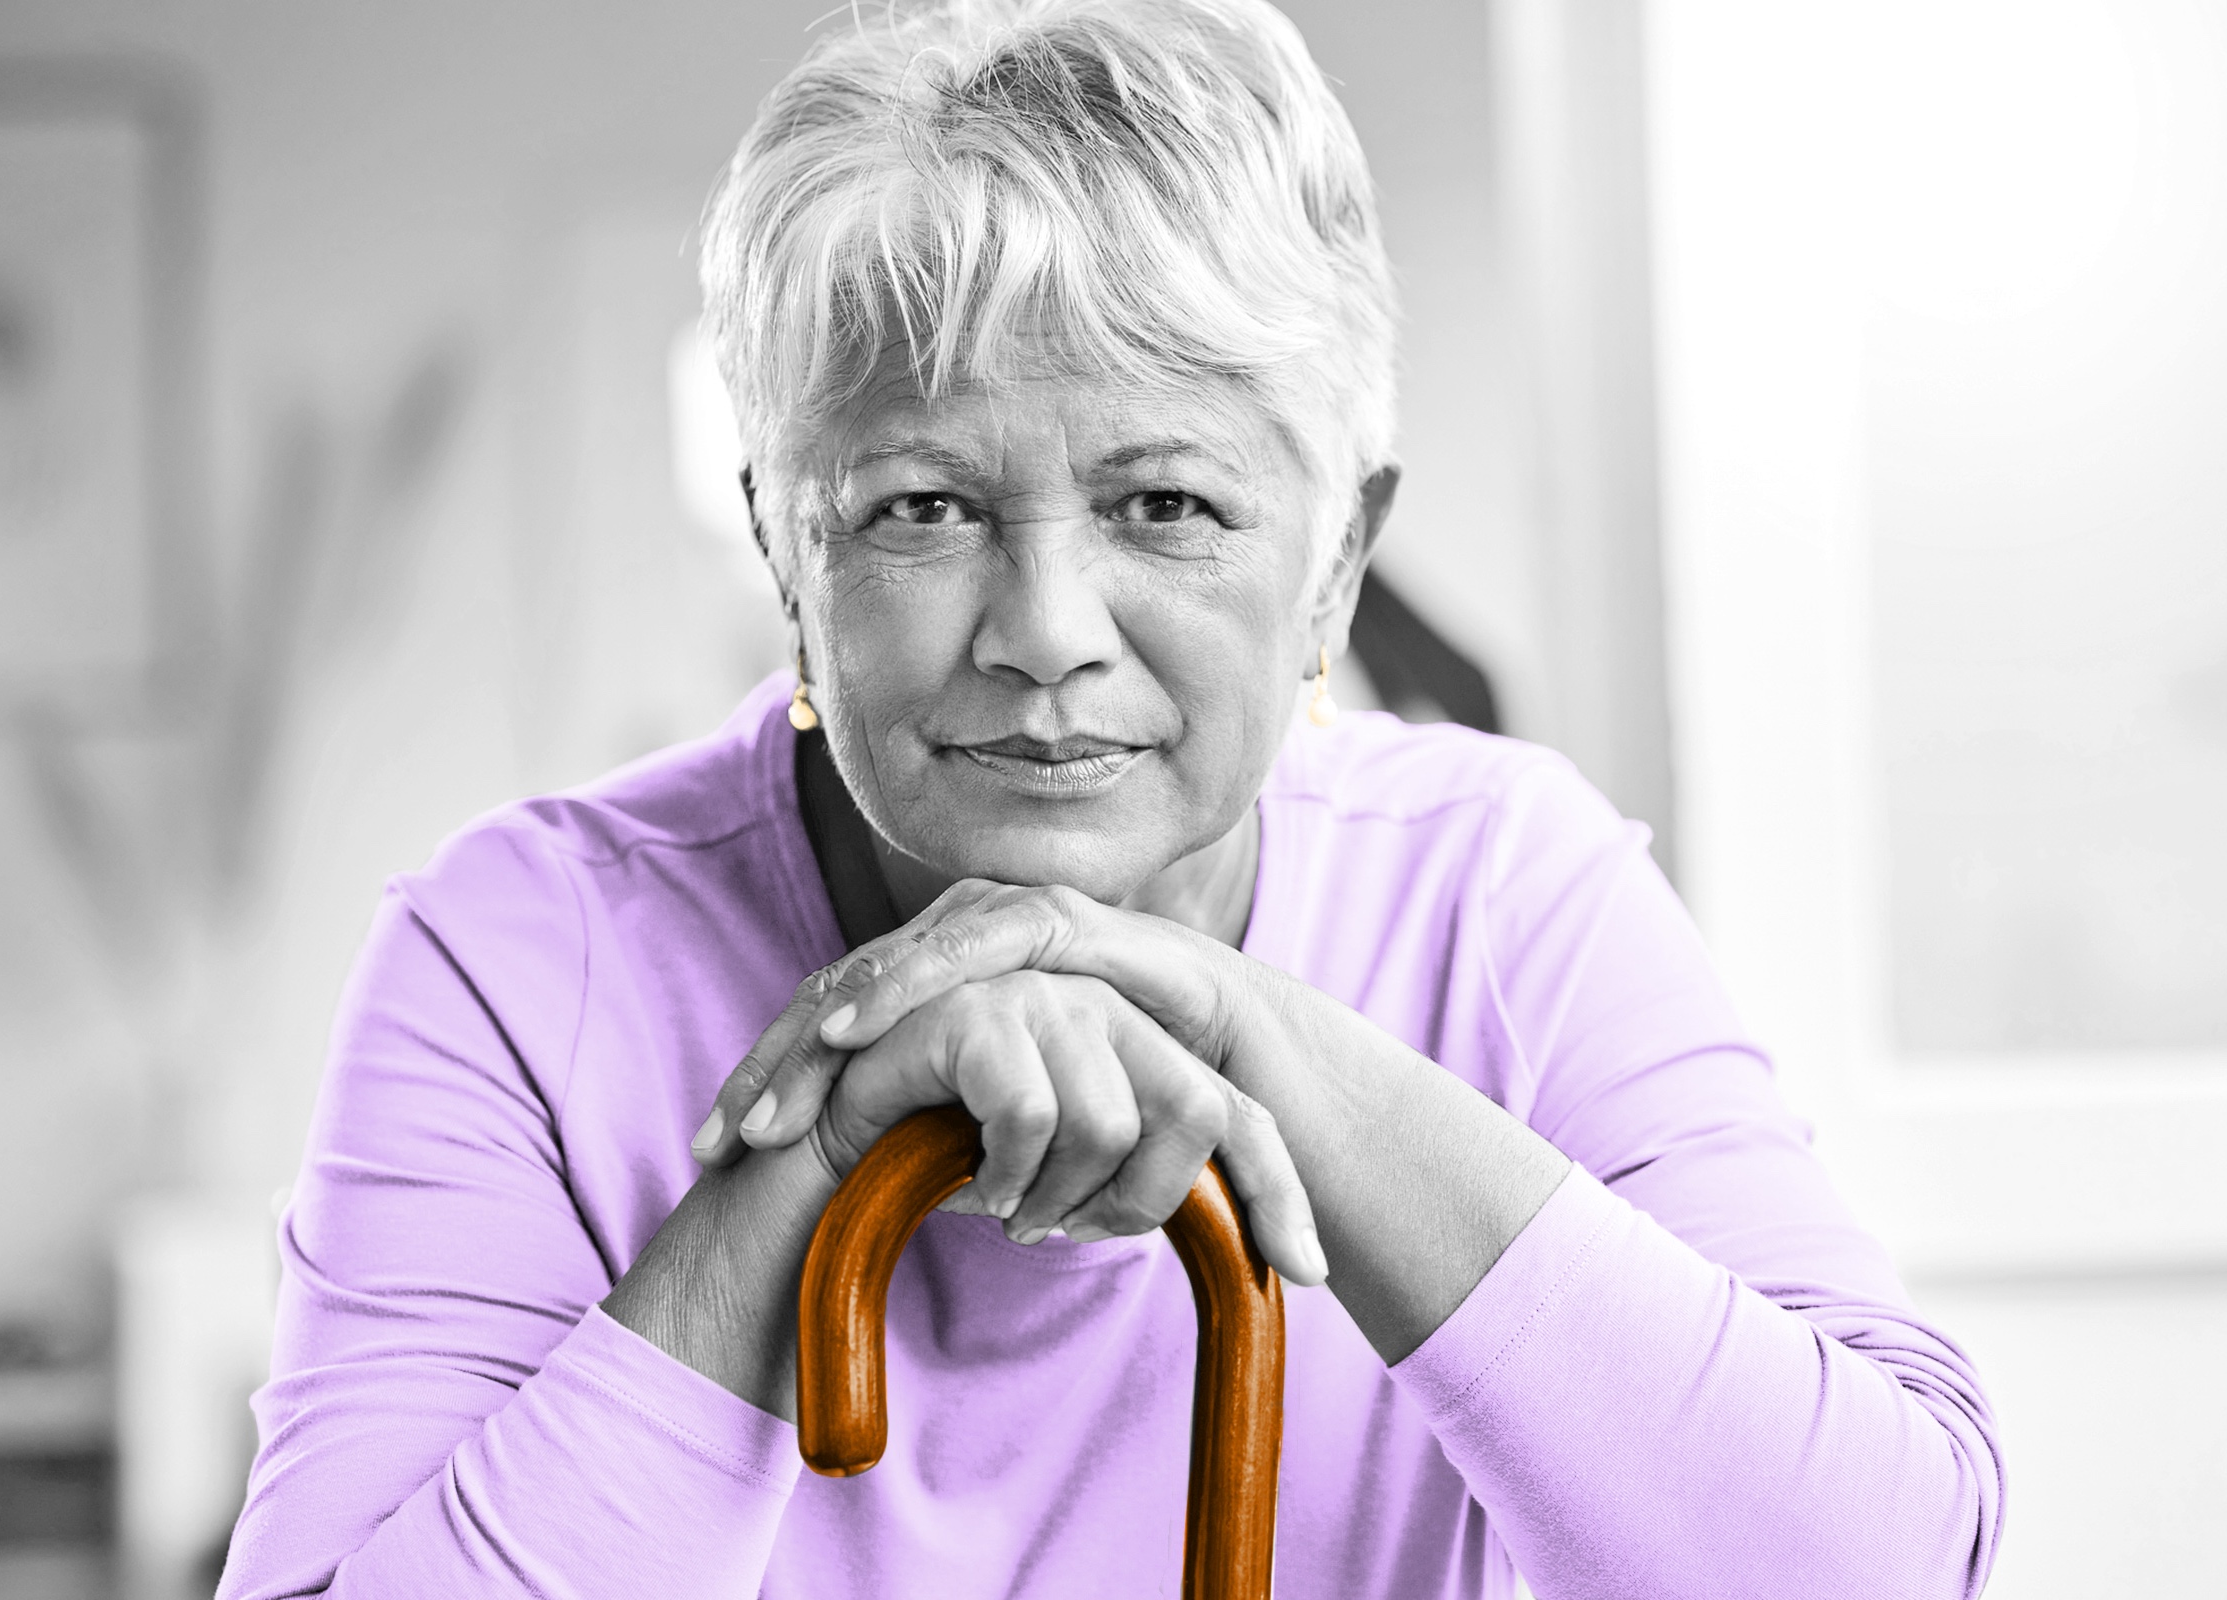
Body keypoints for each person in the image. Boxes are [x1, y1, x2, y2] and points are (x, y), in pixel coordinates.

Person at [218, 1, 2004, 1595]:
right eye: (921, 506)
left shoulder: (1500, 883)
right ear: (785, 541)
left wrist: (1234, 1025)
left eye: (1170, 505)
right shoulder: (521, 948)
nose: (1045, 637)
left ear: (1337, 560)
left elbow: (1877, 1566)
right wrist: (819, 1149)